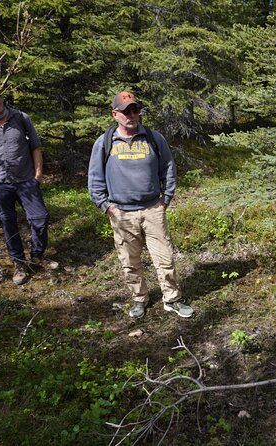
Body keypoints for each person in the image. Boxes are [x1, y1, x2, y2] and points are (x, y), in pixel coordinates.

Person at [88, 90, 193, 319]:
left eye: (135, 109)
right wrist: (106, 206)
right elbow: (95, 178)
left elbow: (168, 168)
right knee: (130, 261)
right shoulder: (105, 142)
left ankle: (172, 299)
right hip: (121, 212)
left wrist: (165, 199)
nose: (132, 115)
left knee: (164, 258)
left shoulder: (154, 138)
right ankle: (139, 299)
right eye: (126, 111)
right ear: (115, 114)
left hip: (153, 209)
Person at [0, 83, 58, 285]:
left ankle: (37, 256)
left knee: (40, 218)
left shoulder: (20, 118)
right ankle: (18, 262)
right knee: (8, 223)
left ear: (2, 97)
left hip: (26, 180)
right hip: (0, 184)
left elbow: (35, 147)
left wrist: (37, 174)